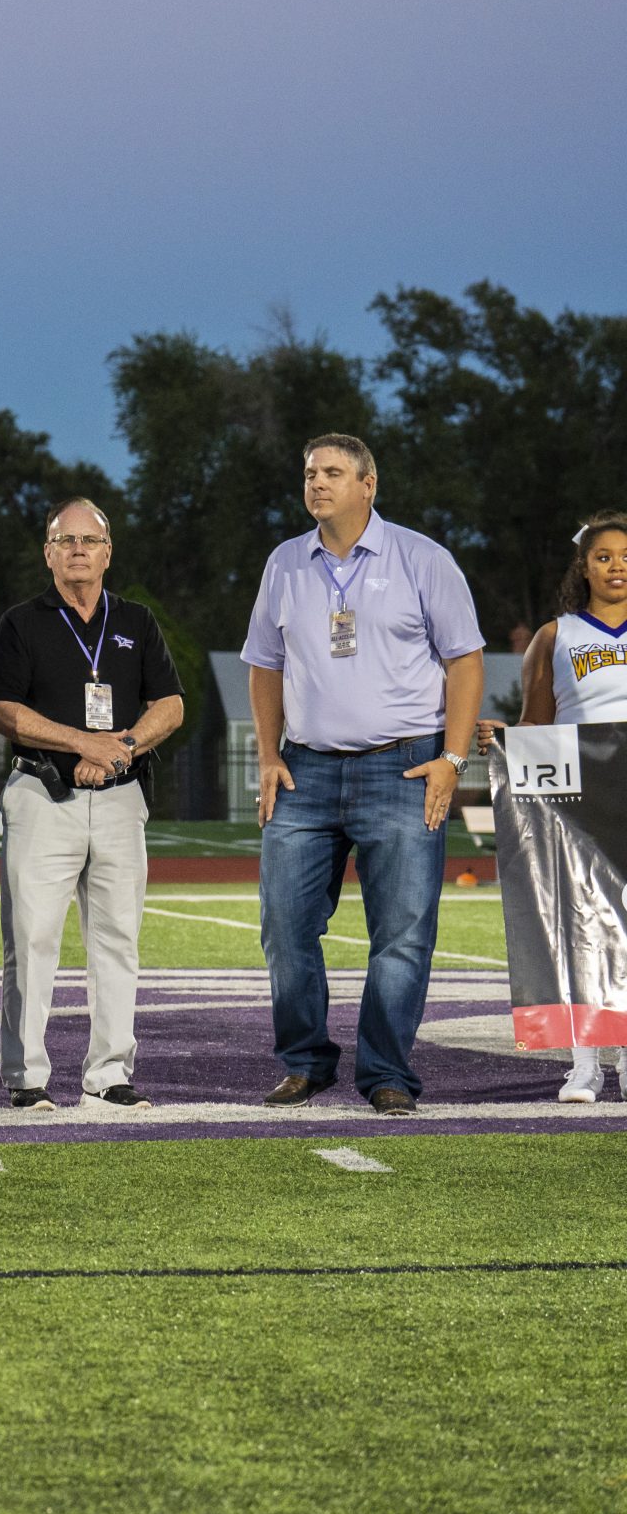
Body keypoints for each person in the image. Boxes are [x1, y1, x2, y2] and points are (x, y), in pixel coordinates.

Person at [246, 434, 484, 1116]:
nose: (317, 482)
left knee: (403, 932)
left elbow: (465, 661)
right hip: (306, 770)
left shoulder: (423, 559)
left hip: (404, 766)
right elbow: (264, 664)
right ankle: (305, 1061)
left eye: (332, 472)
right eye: (309, 471)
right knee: (285, 926)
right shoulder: (287, 562)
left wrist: (454, 758)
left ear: (368, 483)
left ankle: (386, 1071)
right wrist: (268, 754)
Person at [0, 499, 185, 1112]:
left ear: (108, 551)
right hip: (45, 793)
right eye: (64, 539)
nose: (77, 549)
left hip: (120, 797)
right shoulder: (22, 621)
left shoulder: (137, 621)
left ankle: (110, 1072)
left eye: (89, 540)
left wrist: (119, 748)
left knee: (119, 940)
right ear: (48, 553)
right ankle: (26, 1077)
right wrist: (82, 742)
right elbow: (2, 711)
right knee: (32, 937)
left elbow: (170, 705)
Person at [515, 511, 627, 1101]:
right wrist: (501, 741)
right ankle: (586, 1064)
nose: (616, 566)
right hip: (583, 800)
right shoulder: (556, 636)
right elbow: (536, 725)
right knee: (585, 925)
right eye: (604, 555)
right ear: (584, 566)